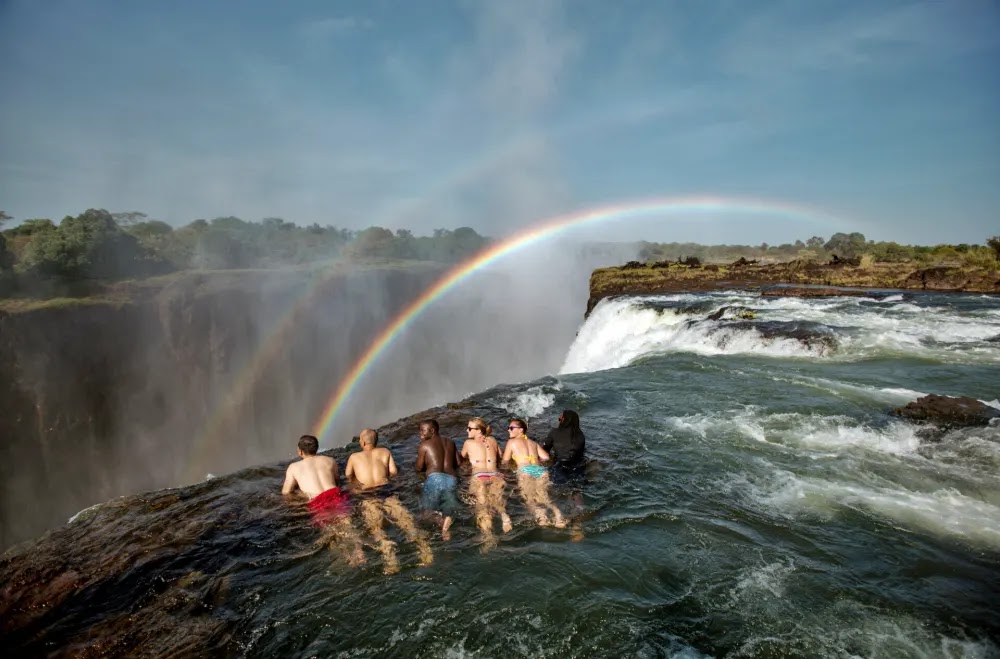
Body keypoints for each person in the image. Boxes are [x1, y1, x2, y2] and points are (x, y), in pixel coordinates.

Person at [345, 428, 432, 573]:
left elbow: (348, 476)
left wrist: (355, 487)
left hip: (367, 494)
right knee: (406, 521)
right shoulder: (385, 452)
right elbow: (394, 473)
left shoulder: (354, 457)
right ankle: (425, 550)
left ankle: (390, 555)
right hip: (386, 490)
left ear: (364, 442)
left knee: (376, 528)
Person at [282, 434, 364, 565]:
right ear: (317, 448)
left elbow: (286, 492)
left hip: (317, 500)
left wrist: (299, 496)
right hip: (335, 494)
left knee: (330, 530)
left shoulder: (293, 467)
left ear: (300, 451)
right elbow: (337, 480)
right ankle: (359, 552)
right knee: (347, 524)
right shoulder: (329, 460)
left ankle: (346, 558)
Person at [501, 418, 565, 528]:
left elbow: (504, 461)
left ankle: (542, 518)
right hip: (540, 471)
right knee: (544, 497)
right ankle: (558, 516)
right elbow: (545, 457)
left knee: (529, 499)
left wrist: (511, 466)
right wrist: (535, 461)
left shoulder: (511, 442)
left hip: (525, 471)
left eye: (511, 428)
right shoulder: (533, 443)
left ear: (521, 430)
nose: (508, 430)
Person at [461, 417, 511, 549]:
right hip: (495, 475)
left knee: (482, 507)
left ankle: (488, 536)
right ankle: (504, 517)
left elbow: (462, 457)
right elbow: (500, 456)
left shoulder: (468, 443)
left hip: (479, 475)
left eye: (470, 428)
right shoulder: (493, 440)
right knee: (498, 502)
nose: (467, 430)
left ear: (478, 431)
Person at [414, 419, 462, 540]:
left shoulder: (424, 445)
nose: (420, 434)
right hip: (452, 479)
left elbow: (419, 468)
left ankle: (441, 521)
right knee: (450, 507)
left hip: (434, 479)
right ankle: (446, 524)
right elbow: (459, 463)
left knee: (426, 513)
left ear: (432, 430)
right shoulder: (451, 442)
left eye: (422, 430)